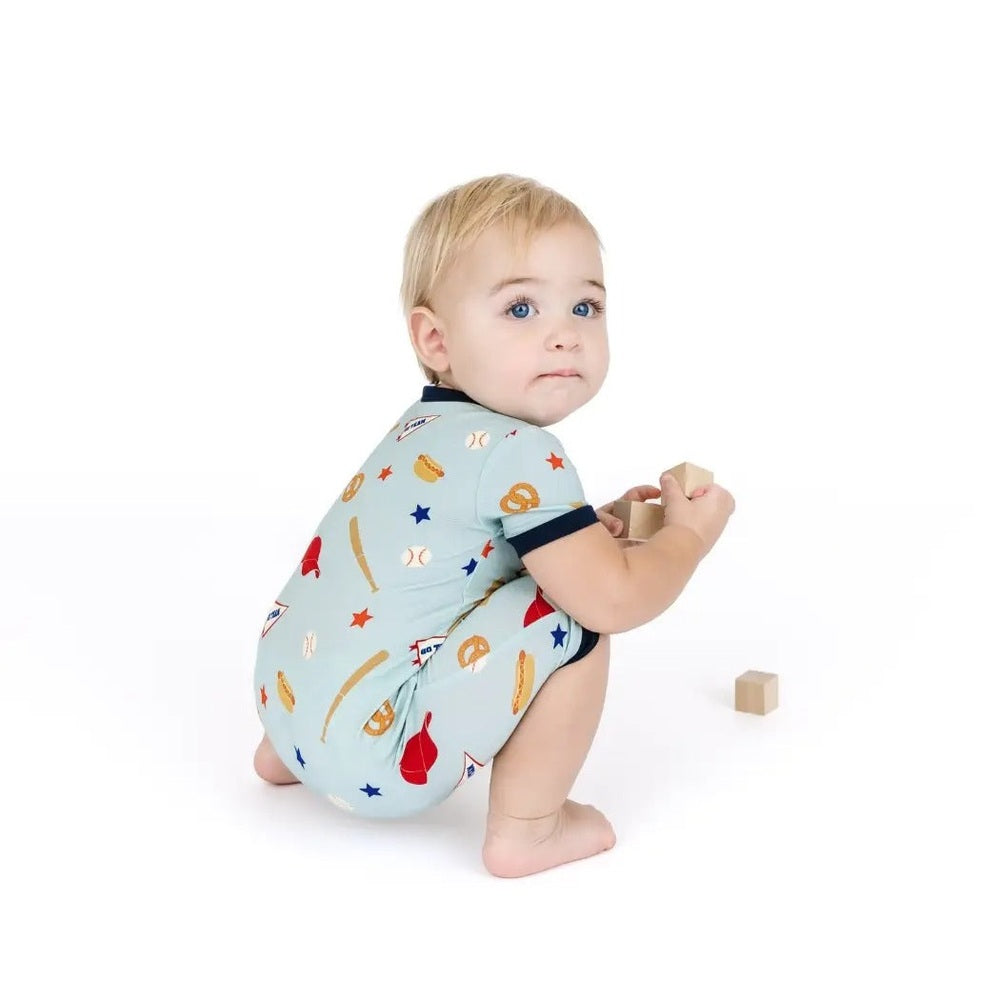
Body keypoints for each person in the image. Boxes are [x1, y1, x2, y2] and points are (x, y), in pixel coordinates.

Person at [251, 173, 735, 878]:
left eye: (585, 306)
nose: (564, 335)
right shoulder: (522, 452)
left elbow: (462, 555)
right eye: (520, 308)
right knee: (575, 621)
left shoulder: (423, 428)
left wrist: (590, 527)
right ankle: (529, 830)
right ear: (436, 338)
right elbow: (614, 599)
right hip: (380, 763)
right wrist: (686, 539)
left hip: (282, 702)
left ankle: (292, 755)